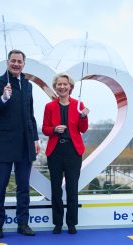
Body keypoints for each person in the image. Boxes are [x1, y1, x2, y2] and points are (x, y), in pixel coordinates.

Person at [0, 49, 40, 238]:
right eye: (13, 60)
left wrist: (35, 138)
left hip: (25, 144)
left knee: (23, 187)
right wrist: (3, 98)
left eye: (19, 61)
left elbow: (30, 114)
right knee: (0, 186)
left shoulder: (28, 85)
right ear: (7, 62)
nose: (16, 64)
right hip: (5, 143)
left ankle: (23, 224)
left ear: (24, 63)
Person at [42, 73, 89, 234]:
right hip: (55, 151)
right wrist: (54, 129)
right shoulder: (49, 106)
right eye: (59, 84)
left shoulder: (78, 104)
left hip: (73, 152)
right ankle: (57, 223)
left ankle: (71, 223)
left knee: (72, 189)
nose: (62, 87)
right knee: (55, 189)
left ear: (71, 87)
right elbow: (45, 129)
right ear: (55, 87)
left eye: (65, 84)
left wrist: (83, 116)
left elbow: (83, 129)